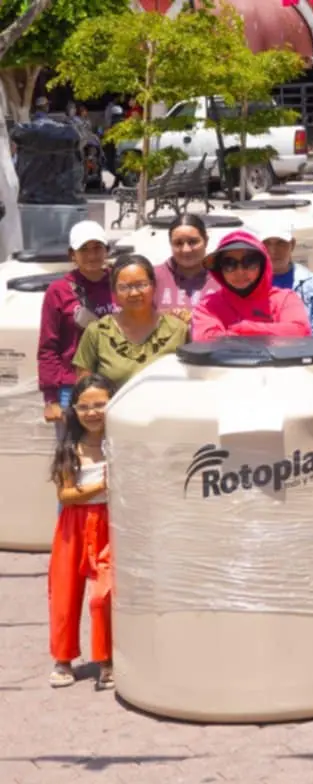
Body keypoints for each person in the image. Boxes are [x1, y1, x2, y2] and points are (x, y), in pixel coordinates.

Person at [46, 374, 115, 690]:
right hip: (74, 525)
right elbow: (66, 494)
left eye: (101, 404)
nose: (93, 412)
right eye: (84, 406)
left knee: (104, 593)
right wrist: (102, 486)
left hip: (110, 523)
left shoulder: (120, 444)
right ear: (73, 410)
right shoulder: (70, 448)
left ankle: (107, 659)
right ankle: (63, 659)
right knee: (64, 593)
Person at [39, 221, 115, 426]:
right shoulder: (58, 291)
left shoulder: (120, 283)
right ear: (72, 254)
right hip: (71, 386)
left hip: (114, 382)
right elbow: (48, 347)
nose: (92, 255)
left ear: (107, 250)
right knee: (69, 451)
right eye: (84, 249)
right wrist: (51, 399)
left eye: (97, 248)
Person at [72, 255, 188, 386]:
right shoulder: (97, 332)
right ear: (114, 292)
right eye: (124, 287)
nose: (134, 293)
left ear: (154, 286)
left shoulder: (178, 330)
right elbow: (84, 388)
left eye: (141, 285)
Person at [190, 231, 312, 341]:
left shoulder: (286, 298)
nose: (240, 272)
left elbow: (300, 331)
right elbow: (206, 340)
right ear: (219, 270)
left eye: (249, 262)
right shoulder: (207, 306)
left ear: (263, 266)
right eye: (229, 264)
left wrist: (244, 328)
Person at [255, 216, 313, 337]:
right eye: (267, 243)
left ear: (292, 244)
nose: (273, 250)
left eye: (280, 243)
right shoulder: (248, 282)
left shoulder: (312, 283)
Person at [153, 214, 218, 320]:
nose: (186, 250)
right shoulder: (153, 277)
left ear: (206, 241)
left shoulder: (223, 278)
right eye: (178, 243)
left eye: (193, 242)